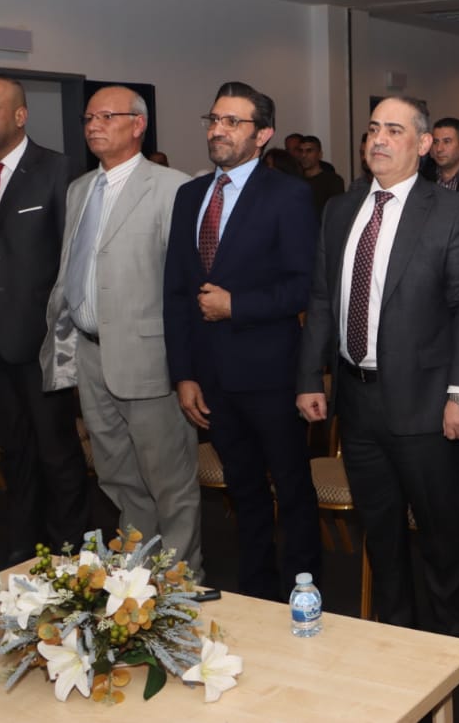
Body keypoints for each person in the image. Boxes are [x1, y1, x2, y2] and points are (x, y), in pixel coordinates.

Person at [297, 95, 459, 639]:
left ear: (423, 144)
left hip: (427, 404)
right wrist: (309, 377)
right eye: (373, 129)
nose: (378, 139)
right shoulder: (340, 209)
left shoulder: (452, 211)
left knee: (442, 536)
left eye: (394, 130)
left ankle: (450, 651)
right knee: (380, 533)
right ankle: (395, 640)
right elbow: (323, 298)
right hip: (357, 401)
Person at [163, 81, 320, 601]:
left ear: (263, 133)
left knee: (291, 492)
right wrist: (183, 373)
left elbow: (303, 285)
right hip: (211, 375)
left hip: (272, 373)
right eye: (214, 120)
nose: (218, 130)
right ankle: (256, 595)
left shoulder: (288, 195)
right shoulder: (190, 196)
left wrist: (238, 305)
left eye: (233, 122)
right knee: (244, 493)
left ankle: (304, 597)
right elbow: (176, 292)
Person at [40, 86, 201, 575]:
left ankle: (181, 583)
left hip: (150, 357)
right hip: (91, 354)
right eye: (89, 117)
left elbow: (187, 284)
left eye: (107, 116)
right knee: (117, 475)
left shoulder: (172, 188)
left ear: (138, 124)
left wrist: (188, 368)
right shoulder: (80, 188)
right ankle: (136, 577)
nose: (93, 125)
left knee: (168, 481)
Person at [0, 76, 89, 563]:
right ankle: (25, 548)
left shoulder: (58, 170)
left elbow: (73, 261)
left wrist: (67, 337)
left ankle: (70, 553)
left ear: (20, 116)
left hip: (41, 337)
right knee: (16, 447)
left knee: (56, 449)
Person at [298, 134, 345, 216]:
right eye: (301, 151)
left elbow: (337, 211)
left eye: (309, 151)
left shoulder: (333, 181)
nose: (303, 155)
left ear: (319, 154)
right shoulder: (296, 180)